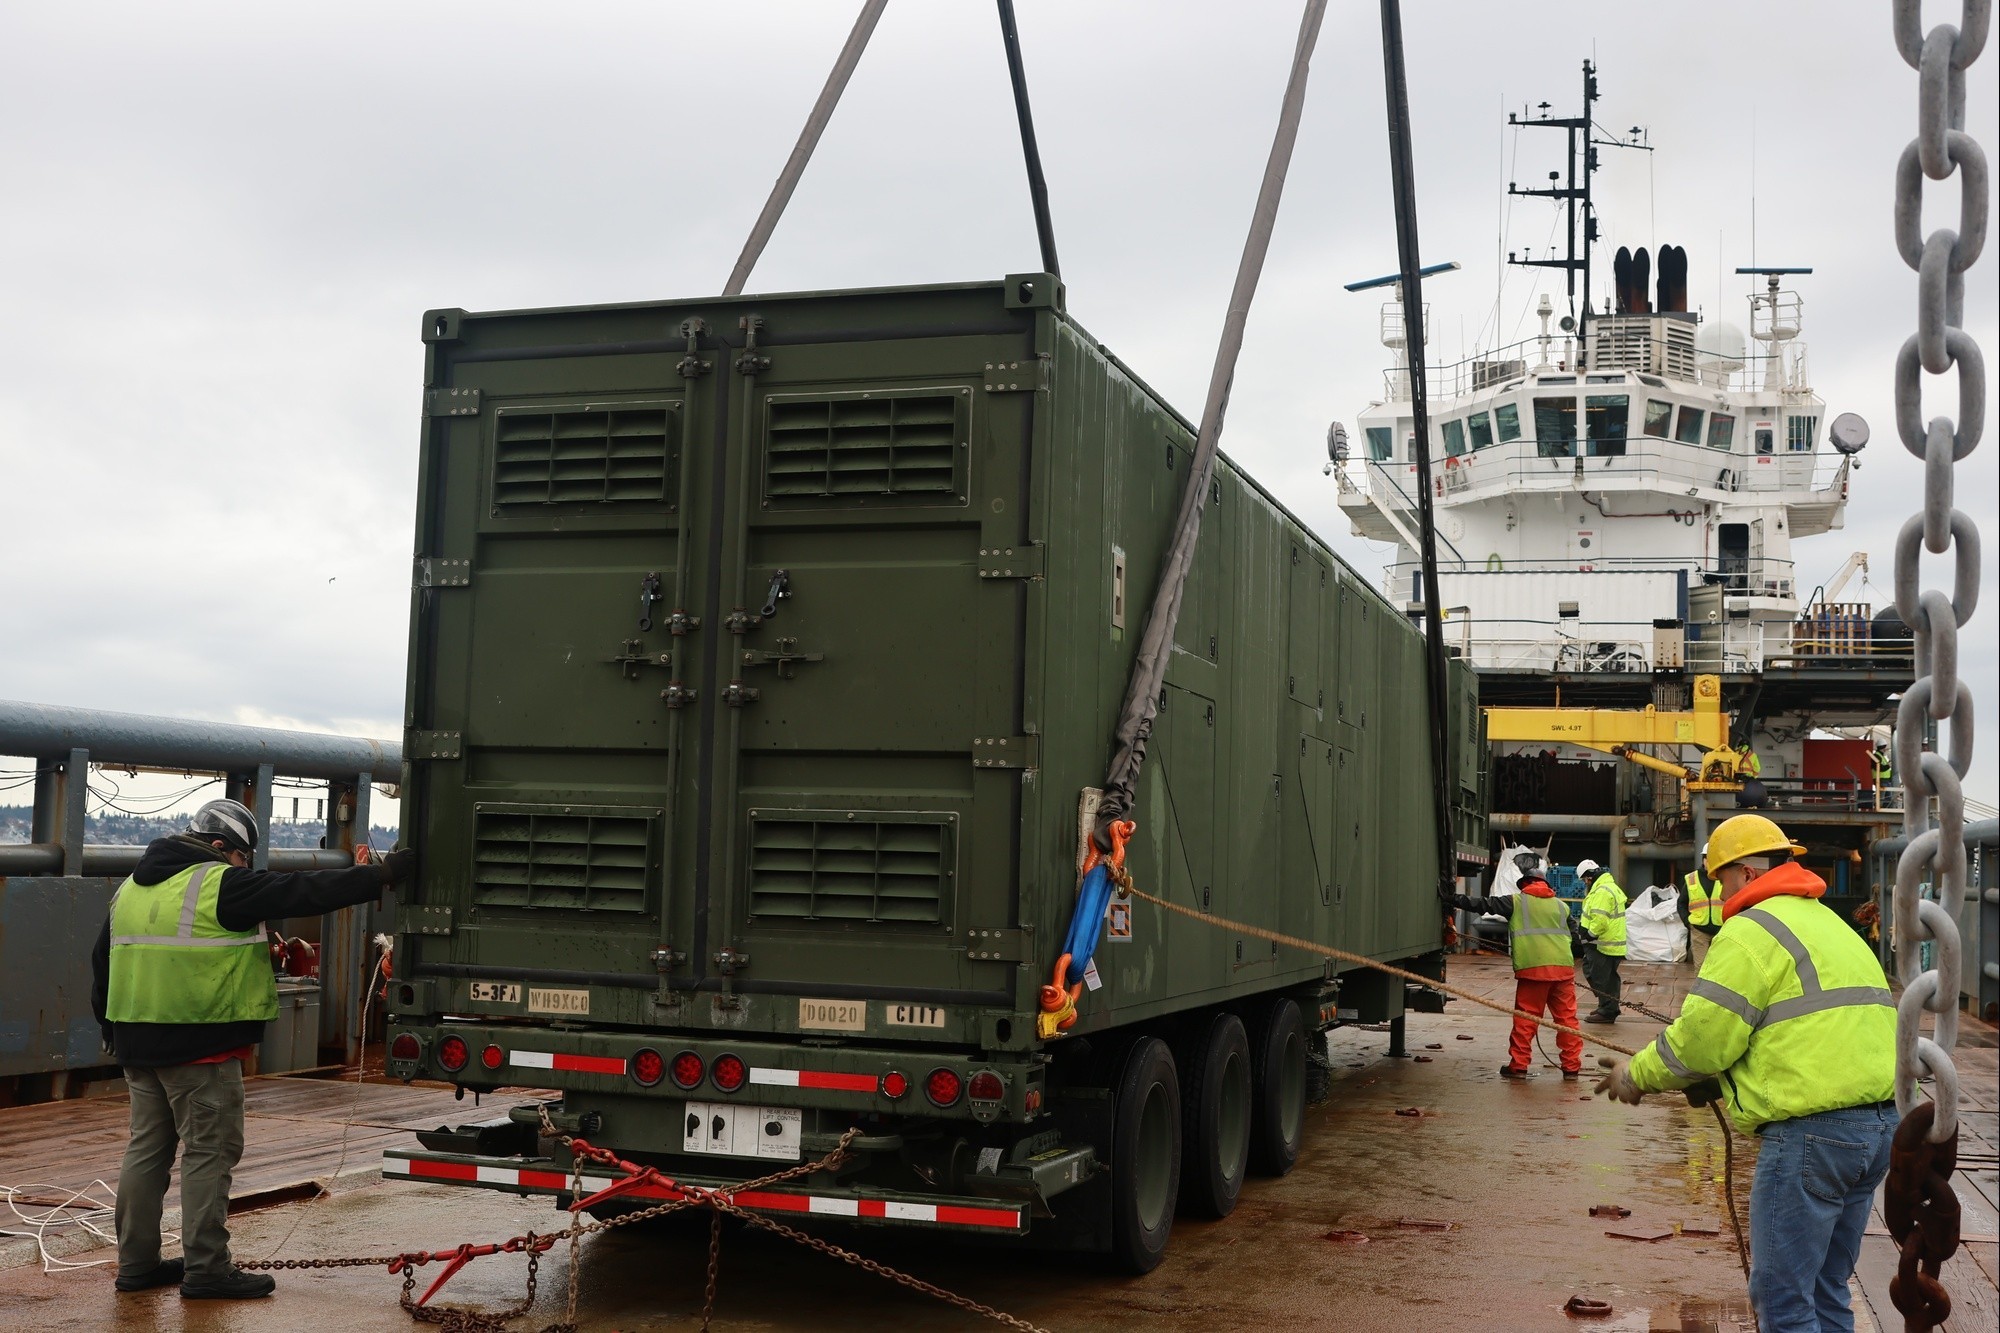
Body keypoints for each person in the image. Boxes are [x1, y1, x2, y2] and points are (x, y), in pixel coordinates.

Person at [89, 798, 413, 1300]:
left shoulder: (131, 889)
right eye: (242, 856)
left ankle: (137, 1266)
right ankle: (207, 1270)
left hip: (136, 1043)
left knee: (146, 1154)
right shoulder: (216, 882)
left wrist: (111, 1031)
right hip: (200, 1046)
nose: (243, 867)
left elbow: (102, 962)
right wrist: (382, 876)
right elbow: (303, 890)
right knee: (208, 1154)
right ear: (221, 847)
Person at [1594, 814, 1895, 1333]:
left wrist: (1636, 1074)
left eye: (1722, 878)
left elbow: (1701, 1041)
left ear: (1748, 873)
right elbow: (1808, 1028)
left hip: (1813, 1136)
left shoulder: (1752, 930)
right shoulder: (1832, 925)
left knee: (1782, 1299)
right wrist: (1730, 1076)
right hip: (1879, 1129)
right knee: (1827, 1287)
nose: (1720, 891)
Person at [1447, 851, 1582, 1080]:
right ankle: (1571, 1067)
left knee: (1526, 1020)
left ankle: (1519, 1066)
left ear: (1525, 884)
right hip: (1563, 971)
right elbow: (1576, 940)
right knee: (1567, 1021)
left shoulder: (1516, 902)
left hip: (1533, 972)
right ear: (1545, 884)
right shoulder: (1562, 907)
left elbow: (1483, 905)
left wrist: (1453, 899)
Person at [1575, 859, 1628, 1023]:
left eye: (1585, 880)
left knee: (1600, 976)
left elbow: (1600, 920)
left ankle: (1608, 1011)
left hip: (1601, 943)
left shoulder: (1602, 891)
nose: (1585, 883)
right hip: (1608, 943)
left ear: (1589, 877)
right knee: (1604, 976)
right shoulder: (1607, 887)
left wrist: (1589, 935)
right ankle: (1607, 1006)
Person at [1681, 843, 1722, 968]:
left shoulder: (1723, 877)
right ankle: (1700, 989)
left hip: (1721, 930)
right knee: (1701, 967)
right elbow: (1681, 903)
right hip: (1699, 930)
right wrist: (1688, 923)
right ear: (1703, 859)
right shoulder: (1691, 878)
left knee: (1719, 967)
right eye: (1708, 859)